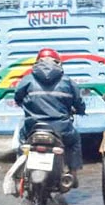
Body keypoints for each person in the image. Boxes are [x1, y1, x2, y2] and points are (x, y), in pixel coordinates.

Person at [14, 48, 85, 185]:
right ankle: (73, 173)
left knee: (22, 143)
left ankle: (20, 172)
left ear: (37, 63)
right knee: (74, 141)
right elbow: (79, 102)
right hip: (61, 129)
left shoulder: (27, 80)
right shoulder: (68, 82)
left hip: (33, 128)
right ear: (59, 63)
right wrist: (80, 110)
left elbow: (18, 97)